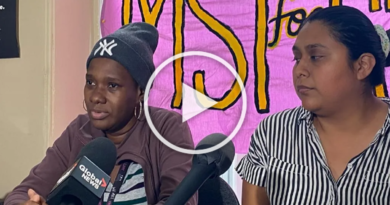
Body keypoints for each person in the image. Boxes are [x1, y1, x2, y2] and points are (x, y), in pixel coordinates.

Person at [4, 22, 198, 205]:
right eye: (91, 83)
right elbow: (22, 192)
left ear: (140, 91)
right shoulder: (79, 131)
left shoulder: (166, 128)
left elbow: (181, 200)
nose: (96, 96)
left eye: (112, 85)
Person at [236, 5, 390, 205]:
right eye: (297, 58)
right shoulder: (273, 133)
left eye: (315, 57)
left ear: (362, 66)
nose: (300, 70)